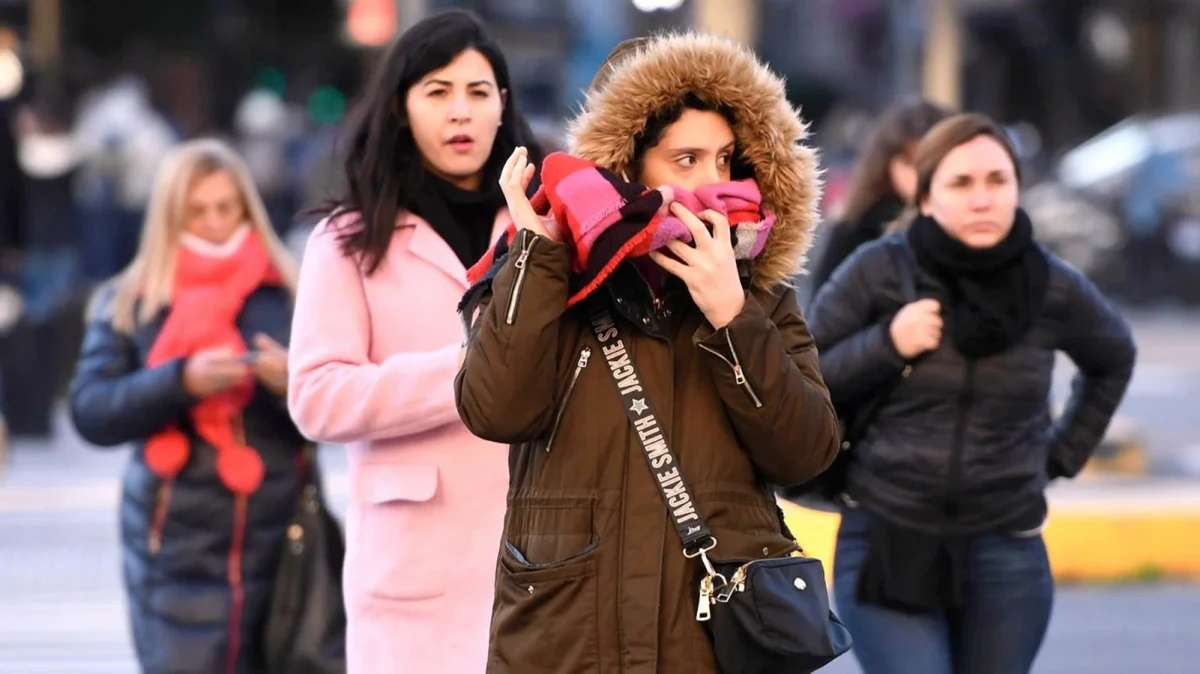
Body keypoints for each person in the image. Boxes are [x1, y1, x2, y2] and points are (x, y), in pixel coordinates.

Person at [455, 33, 840, 673]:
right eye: (685, 160)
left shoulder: (761, 298)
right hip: (568, 640)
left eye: (726, 161)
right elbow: (495, 410)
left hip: (709, 644)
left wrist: (731, 317)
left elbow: (807, 453)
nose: (713, 185)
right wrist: (539, 258)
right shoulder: (551, 277)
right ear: (625, 168)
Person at [807, 113, 1137, 674]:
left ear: (1017, 189)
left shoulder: (1050, 283)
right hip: (888, 535)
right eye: (961, 183)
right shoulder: (878, 270)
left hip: (1005, 545)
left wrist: (1059, 457)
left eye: (997, 180)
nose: (982, 198)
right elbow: (805, 379)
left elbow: (1113, 357)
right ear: (927, 197)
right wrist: (887, 343)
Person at [286, 10, 542, 674]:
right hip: (413, 572)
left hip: (547, 560)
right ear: (401, 107)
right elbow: (316, 397)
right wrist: (466, 373)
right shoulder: (346, 241)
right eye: (437, 91)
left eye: (478, 92)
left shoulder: (543, 228)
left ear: (503, 106)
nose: (461, 112)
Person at [68, 139, 315, 673]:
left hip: (280, 540)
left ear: (248, 208)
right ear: (170, 215)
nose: (215, 223)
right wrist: (179, 381)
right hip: (174, 549)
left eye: (227, 208)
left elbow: (333, 419)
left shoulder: (291, 291)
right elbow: (91, 411)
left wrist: (290, 382)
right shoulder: (131, 297)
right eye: (197, 211)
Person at [809, 97, 952, 294]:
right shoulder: (855, 230)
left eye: (931, 163)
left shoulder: (967, 224)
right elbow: (823, 313)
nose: (921, 176)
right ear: (886, 164)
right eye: (911, 163)